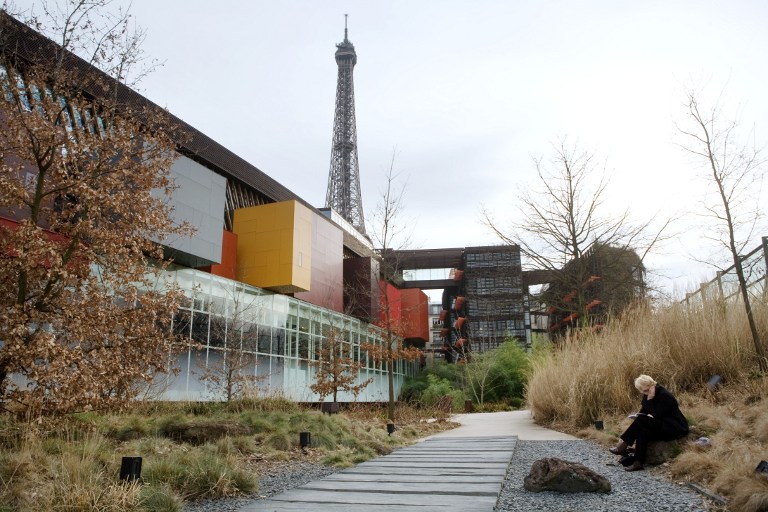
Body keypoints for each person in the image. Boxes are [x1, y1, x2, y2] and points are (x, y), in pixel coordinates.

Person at [609, 374, 689, 472]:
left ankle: (623, 446)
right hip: (663, 426)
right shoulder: (648, 394)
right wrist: (637, 416)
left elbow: (657, 414)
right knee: (643, 431)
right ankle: (638, 462)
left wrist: (650, 399)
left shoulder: (665, 395)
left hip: (674, 427)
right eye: (642, 391)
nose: (644, 393)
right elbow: (644, 411)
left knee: (642, 420)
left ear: (651, 384)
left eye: (646, 390)